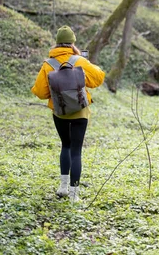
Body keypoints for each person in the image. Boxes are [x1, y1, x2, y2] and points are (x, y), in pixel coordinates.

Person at [31, 26, 105, 201]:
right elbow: (99, 78)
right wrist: (85, 71)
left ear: (56, 43)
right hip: (80, 112)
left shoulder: (48, 64)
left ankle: (63, 187)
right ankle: (74, 195)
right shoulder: (80, 61)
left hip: (60, 112)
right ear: (72, 43)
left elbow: (40, 93)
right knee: (76, 151)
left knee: (65, 145)